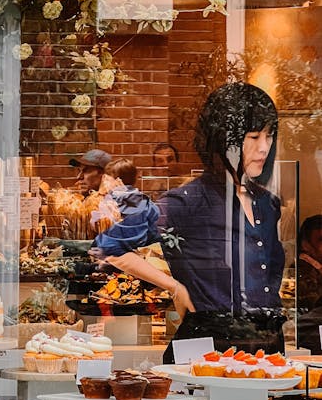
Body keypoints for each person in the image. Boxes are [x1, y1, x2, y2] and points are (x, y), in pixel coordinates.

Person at [102, 83, 285, 360]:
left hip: (267, 347)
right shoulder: (188, 201)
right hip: (208, 346)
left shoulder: (268, 204)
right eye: (253, 136)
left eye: (269, 136)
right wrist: (174, 286)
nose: (264, 147)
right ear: (224, 139)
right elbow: (110, 245)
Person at [92, 158, 160, 256]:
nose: (104, 183)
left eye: (107, 179)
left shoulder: (112, 203)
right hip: (142, 256)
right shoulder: (147, 202)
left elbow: (99, 230)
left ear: (117, 181)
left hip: (119, 257)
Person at [296, 215, 322, 354]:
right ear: (306, 244)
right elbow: (311, 308)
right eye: (321, 240)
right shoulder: (303, 270)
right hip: (308, 341)